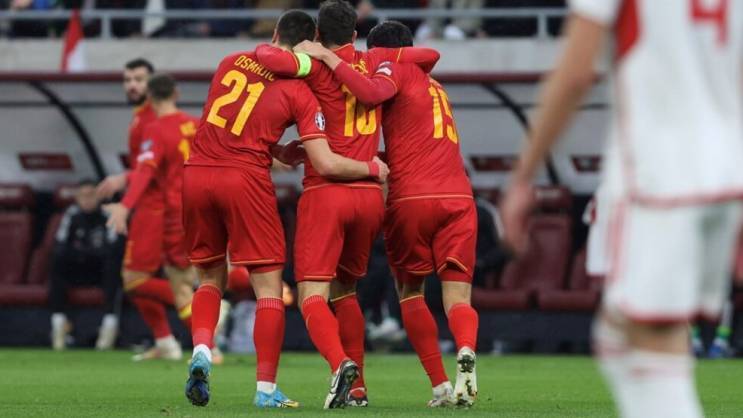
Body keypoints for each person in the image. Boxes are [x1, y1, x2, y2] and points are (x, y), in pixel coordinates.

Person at [500, 2, 743, 417]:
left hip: (659, 176)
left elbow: (575, 73)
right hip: (727, 176)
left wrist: (523, 176)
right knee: (632, 334)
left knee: (642, 343)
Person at [181, 9, 387, 409]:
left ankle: (202, 349)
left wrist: (276, 149)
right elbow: (323, 159)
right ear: (311, 41)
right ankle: (265, 389)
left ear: (276, 31)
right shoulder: (300, 89)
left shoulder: (230, 62)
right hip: (245, 179)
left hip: (197, 173)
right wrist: (371, 167)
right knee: (269, 287)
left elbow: (236, 121)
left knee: (208, 276)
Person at [254, 0, 439, 408]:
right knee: (345, 291)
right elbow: (426, 55)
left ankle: (341, 365)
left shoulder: (313, 67)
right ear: (355, 35)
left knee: (311, 294)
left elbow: (272, 61)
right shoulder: (374, 62)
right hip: (369, 198)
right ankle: (357, 392)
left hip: (327, 191)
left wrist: (304, 49)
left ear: (318, 35)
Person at [295, 20, 480, 407]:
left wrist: (328, 56)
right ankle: (465, 348)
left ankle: (440, 385)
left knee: (410, 292)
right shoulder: (435, 86)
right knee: (458, 297)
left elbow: (369, 91)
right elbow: (408, 142)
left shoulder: (392, 69)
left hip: (412, 197)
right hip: (459, 196)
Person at [104, 73, 197, 362]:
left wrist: (125, 205)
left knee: (137, 280)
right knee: (183, 277)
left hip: (165, 212)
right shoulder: (195, 124)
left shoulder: (155, 128)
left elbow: (146, 171)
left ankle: (207, 317)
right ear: (176, 93)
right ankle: (172, 341)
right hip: (196, 209)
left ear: (150, 96)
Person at [49, 180, 119, 350]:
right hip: (78, 269)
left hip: (101, 271)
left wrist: (84, 251)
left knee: (113, 264)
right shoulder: (71, 215)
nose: (87, 200)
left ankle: (109, 324)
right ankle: (59, 323)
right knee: (58, 261)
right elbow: (60, 245)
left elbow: (113, 248)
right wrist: (85, 252)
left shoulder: (108, 214)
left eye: (91, 195)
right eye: (83, 196)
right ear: (77, 198)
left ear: (99, 196)